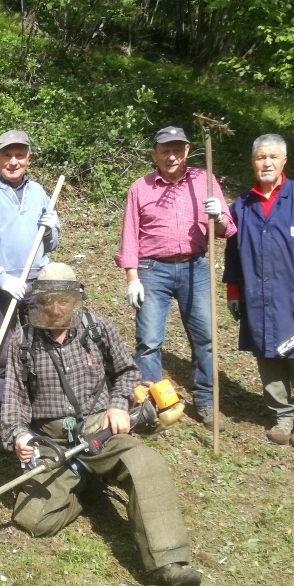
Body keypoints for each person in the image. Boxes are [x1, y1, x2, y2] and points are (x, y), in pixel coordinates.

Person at [1, 263, 202, 586]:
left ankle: (168, 564)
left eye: (63, 301)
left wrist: (119, 405)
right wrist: (20, 435)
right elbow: (13, 399)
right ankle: (84, 487)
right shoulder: (22, 342)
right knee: (32, 518)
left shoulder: (98, 328)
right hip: (54, 445)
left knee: (147, 465)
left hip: (101, 429)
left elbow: (127, 371)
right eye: (48, 301)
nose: (56, 309)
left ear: (75, 299)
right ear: (38, 302)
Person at [114, 126, 236, 430]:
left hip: (195, 267)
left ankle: (206, 401)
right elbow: (129, 235)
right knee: (149, 341)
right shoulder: (140, 188)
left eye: (177, 150)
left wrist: (219, 215)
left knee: (205, 338)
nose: (171, 156)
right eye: (165, 150)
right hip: (152, 269)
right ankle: (152, 404)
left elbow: (225, 230)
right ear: (154, 153)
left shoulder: (204, 182)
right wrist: (132, 277)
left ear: (187, 150)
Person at [223, 134, 294, 449]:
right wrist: (234, 291)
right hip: (256, 292)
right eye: (261, 157)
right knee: (267, 353)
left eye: (273, 157)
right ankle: (282, 415)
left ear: (284, 161)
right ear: (253, 162)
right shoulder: (241, 204)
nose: (267, 163)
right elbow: (232, 251)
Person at [0, 130, 59, 439]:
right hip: (0, 285)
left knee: (42, 348)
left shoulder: (39, 193)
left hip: (36, 281)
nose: (13, 161)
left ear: (28, 158)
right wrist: (1, 278)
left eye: (20, 155)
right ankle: (5, 415)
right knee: (2, 353)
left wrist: (51, 228)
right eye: (7, 155)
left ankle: (41, 410)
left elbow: (52, 244)